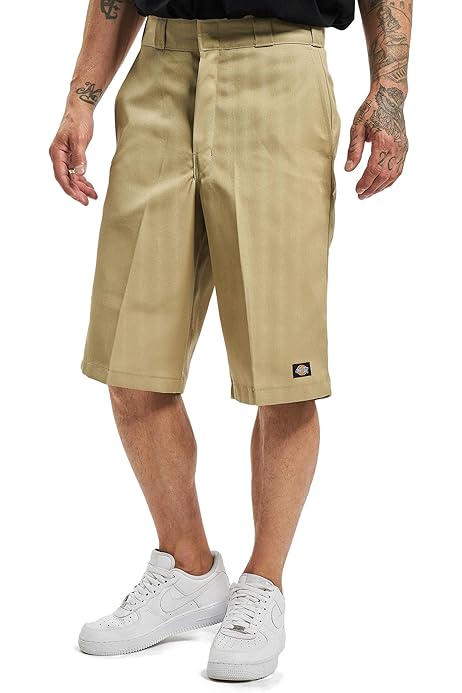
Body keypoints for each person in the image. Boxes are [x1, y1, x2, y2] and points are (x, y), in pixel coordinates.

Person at [49, 0, 412, 682]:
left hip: (279, 68)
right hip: (160, 73)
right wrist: (81, 96)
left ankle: (263, 583)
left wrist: (388, 91)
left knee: (284, 370)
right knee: (129, 364)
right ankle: (187, 566)